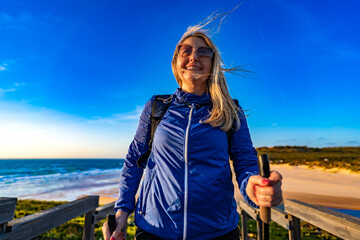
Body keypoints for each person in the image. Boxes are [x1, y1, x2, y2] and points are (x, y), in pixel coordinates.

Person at [103, 23, 283, 240]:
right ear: (176, 62)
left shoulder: (230, 110)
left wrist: (253, 184)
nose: (194, 56)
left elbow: (244, 161)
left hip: (217, 232)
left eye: (203, 52)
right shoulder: (156, 107)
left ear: (213, 63)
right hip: (154, 230)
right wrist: (122, 211)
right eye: (186, 50)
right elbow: (134, 160)